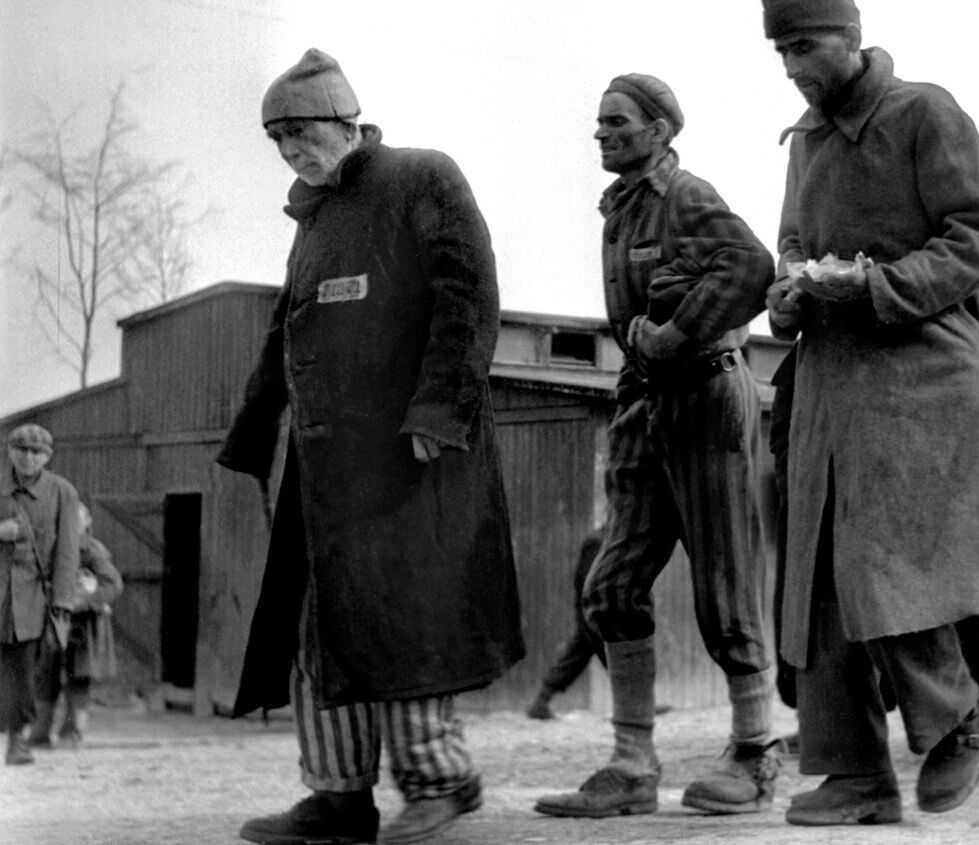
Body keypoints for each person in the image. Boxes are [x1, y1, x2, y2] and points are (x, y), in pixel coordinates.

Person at [218, 48, 524, 845]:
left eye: (300, 131)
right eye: (277, 138)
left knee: (407, 619)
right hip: (327, 469)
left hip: (410, 457)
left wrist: (437, 413)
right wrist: (252, 431)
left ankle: (441, 779)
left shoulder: (421, 178)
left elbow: (469, 293)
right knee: (321, 623)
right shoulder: (314, 219)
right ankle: (338, 795)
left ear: (346, 121)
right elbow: (288, 329)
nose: (289, 150)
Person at [763, 0, 979, 825]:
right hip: (829, 379)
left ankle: (960, 718)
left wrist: (879, 284)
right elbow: (793, 241)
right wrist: (789, 286)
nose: (792, 67)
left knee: (886, 557)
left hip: (919, 376)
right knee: (817, 572)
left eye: (805, 46)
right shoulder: (805, 140)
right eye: (781, 52)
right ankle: (854, 774)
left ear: (850, 39)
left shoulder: (924, 113)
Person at [534, 73, 779, 820]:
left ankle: (755, 752)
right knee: (610, 585)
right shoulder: (621, 211)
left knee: (724, 587)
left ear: (660, 130)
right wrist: (641, 371)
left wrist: (677, 332)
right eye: (599, 122)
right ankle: (632, 765)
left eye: (618, 121)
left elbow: (750, 266)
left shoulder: (685, 196)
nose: (602, 133)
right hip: (644, 400)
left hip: (706, 395)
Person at [1, 424, 81, 766]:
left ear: (47, 457)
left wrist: (62, 600)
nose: (28, 457)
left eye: (37, 452)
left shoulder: (62, 492)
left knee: (22, 671)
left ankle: (16, 739)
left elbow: (68, 551)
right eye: (21, 449)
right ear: (9, 451)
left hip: (32, 598)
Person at [31, 502, 121, 749]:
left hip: (83, 627)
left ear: (87, 523)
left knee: (78, 678)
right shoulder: (50, 548)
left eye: (76, 521)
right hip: (54, 623)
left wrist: (83, 601)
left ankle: (72, 734)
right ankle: (39, 733)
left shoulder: (92, 551)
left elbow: (113, 585)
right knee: (45, 675)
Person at [526, 530, 604, 721]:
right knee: (615, 652)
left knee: (577, 655)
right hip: (593, 610)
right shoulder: (597, 542)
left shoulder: (605, 540)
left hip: (597, 610)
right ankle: (641, 703)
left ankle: (540, 703)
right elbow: (587, 581)